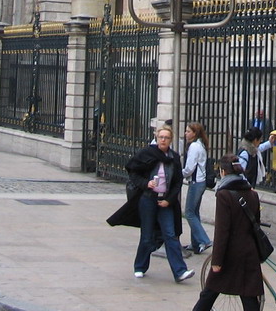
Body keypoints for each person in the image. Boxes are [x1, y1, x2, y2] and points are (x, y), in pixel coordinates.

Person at [107, 125, 194, 284]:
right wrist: (146, 183)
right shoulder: (147, 153)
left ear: (170, 140)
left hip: (165, 202)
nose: (163, 140)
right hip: (148, 199)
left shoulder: (174, 158)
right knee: (147, 236)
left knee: (170, 235)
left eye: (166, 138)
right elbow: (133, 172)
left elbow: (177, 182)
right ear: (156, 137)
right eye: (161, 137)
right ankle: (140, 266)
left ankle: (180, 271)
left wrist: (170, 199)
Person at [190, 155, 264, 311]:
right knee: (249, 297)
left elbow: (222, 231)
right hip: (249, 252)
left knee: (209, 294)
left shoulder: (224, 195)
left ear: (223, 172)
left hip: (230, 253)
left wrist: (216, 260)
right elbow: (255, 224)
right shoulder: (253, 194)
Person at [183, 122, 213, 254]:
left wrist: (181, 173)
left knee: (189, 213)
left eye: (188, 131)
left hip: (196, 182)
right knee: (194, 212)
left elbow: (190, 168)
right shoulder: (200, 145)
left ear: (194, 133)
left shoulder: (194, 146)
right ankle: (195, 244)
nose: (186, 134)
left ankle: (204, 240)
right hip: (200, 182)